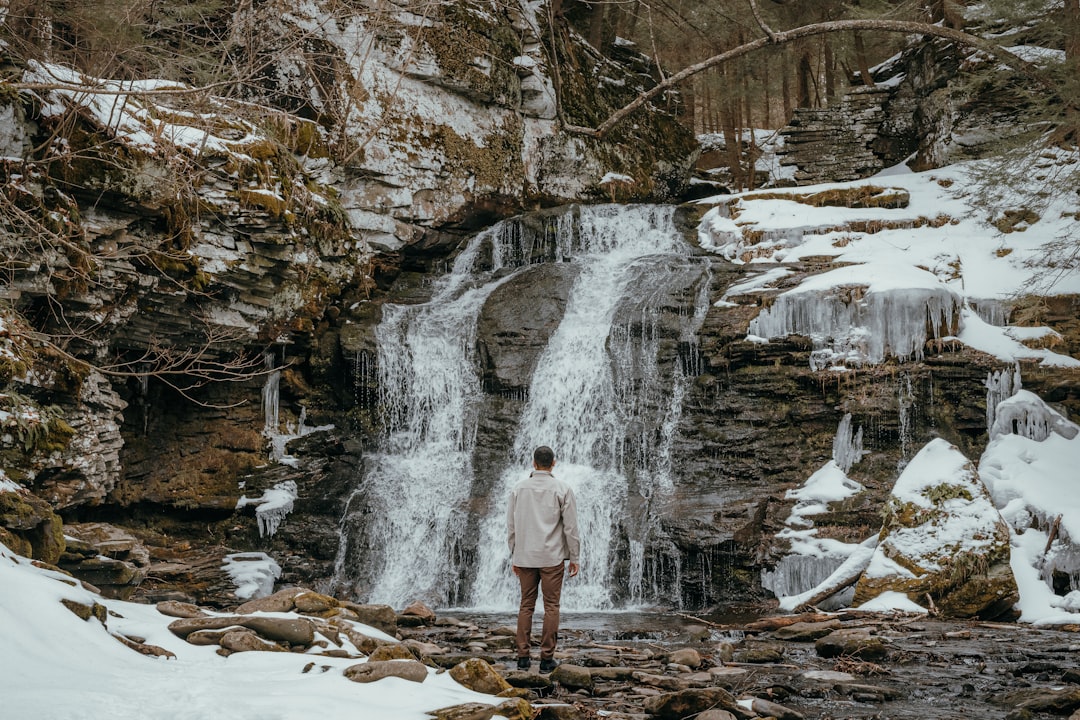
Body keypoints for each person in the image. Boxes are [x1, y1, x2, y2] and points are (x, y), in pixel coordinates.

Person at [507, 445, 580, 673]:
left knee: (526, 605)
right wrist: (574, 557)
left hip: (525, 556)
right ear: (554, 463)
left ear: (534, 462)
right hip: (552, 557)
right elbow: (571, 527)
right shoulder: (563, 489)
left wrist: (514, 554)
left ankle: (522, 657)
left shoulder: (518, 489)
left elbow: (511, 527)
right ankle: (547, 659)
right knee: (551, 607)